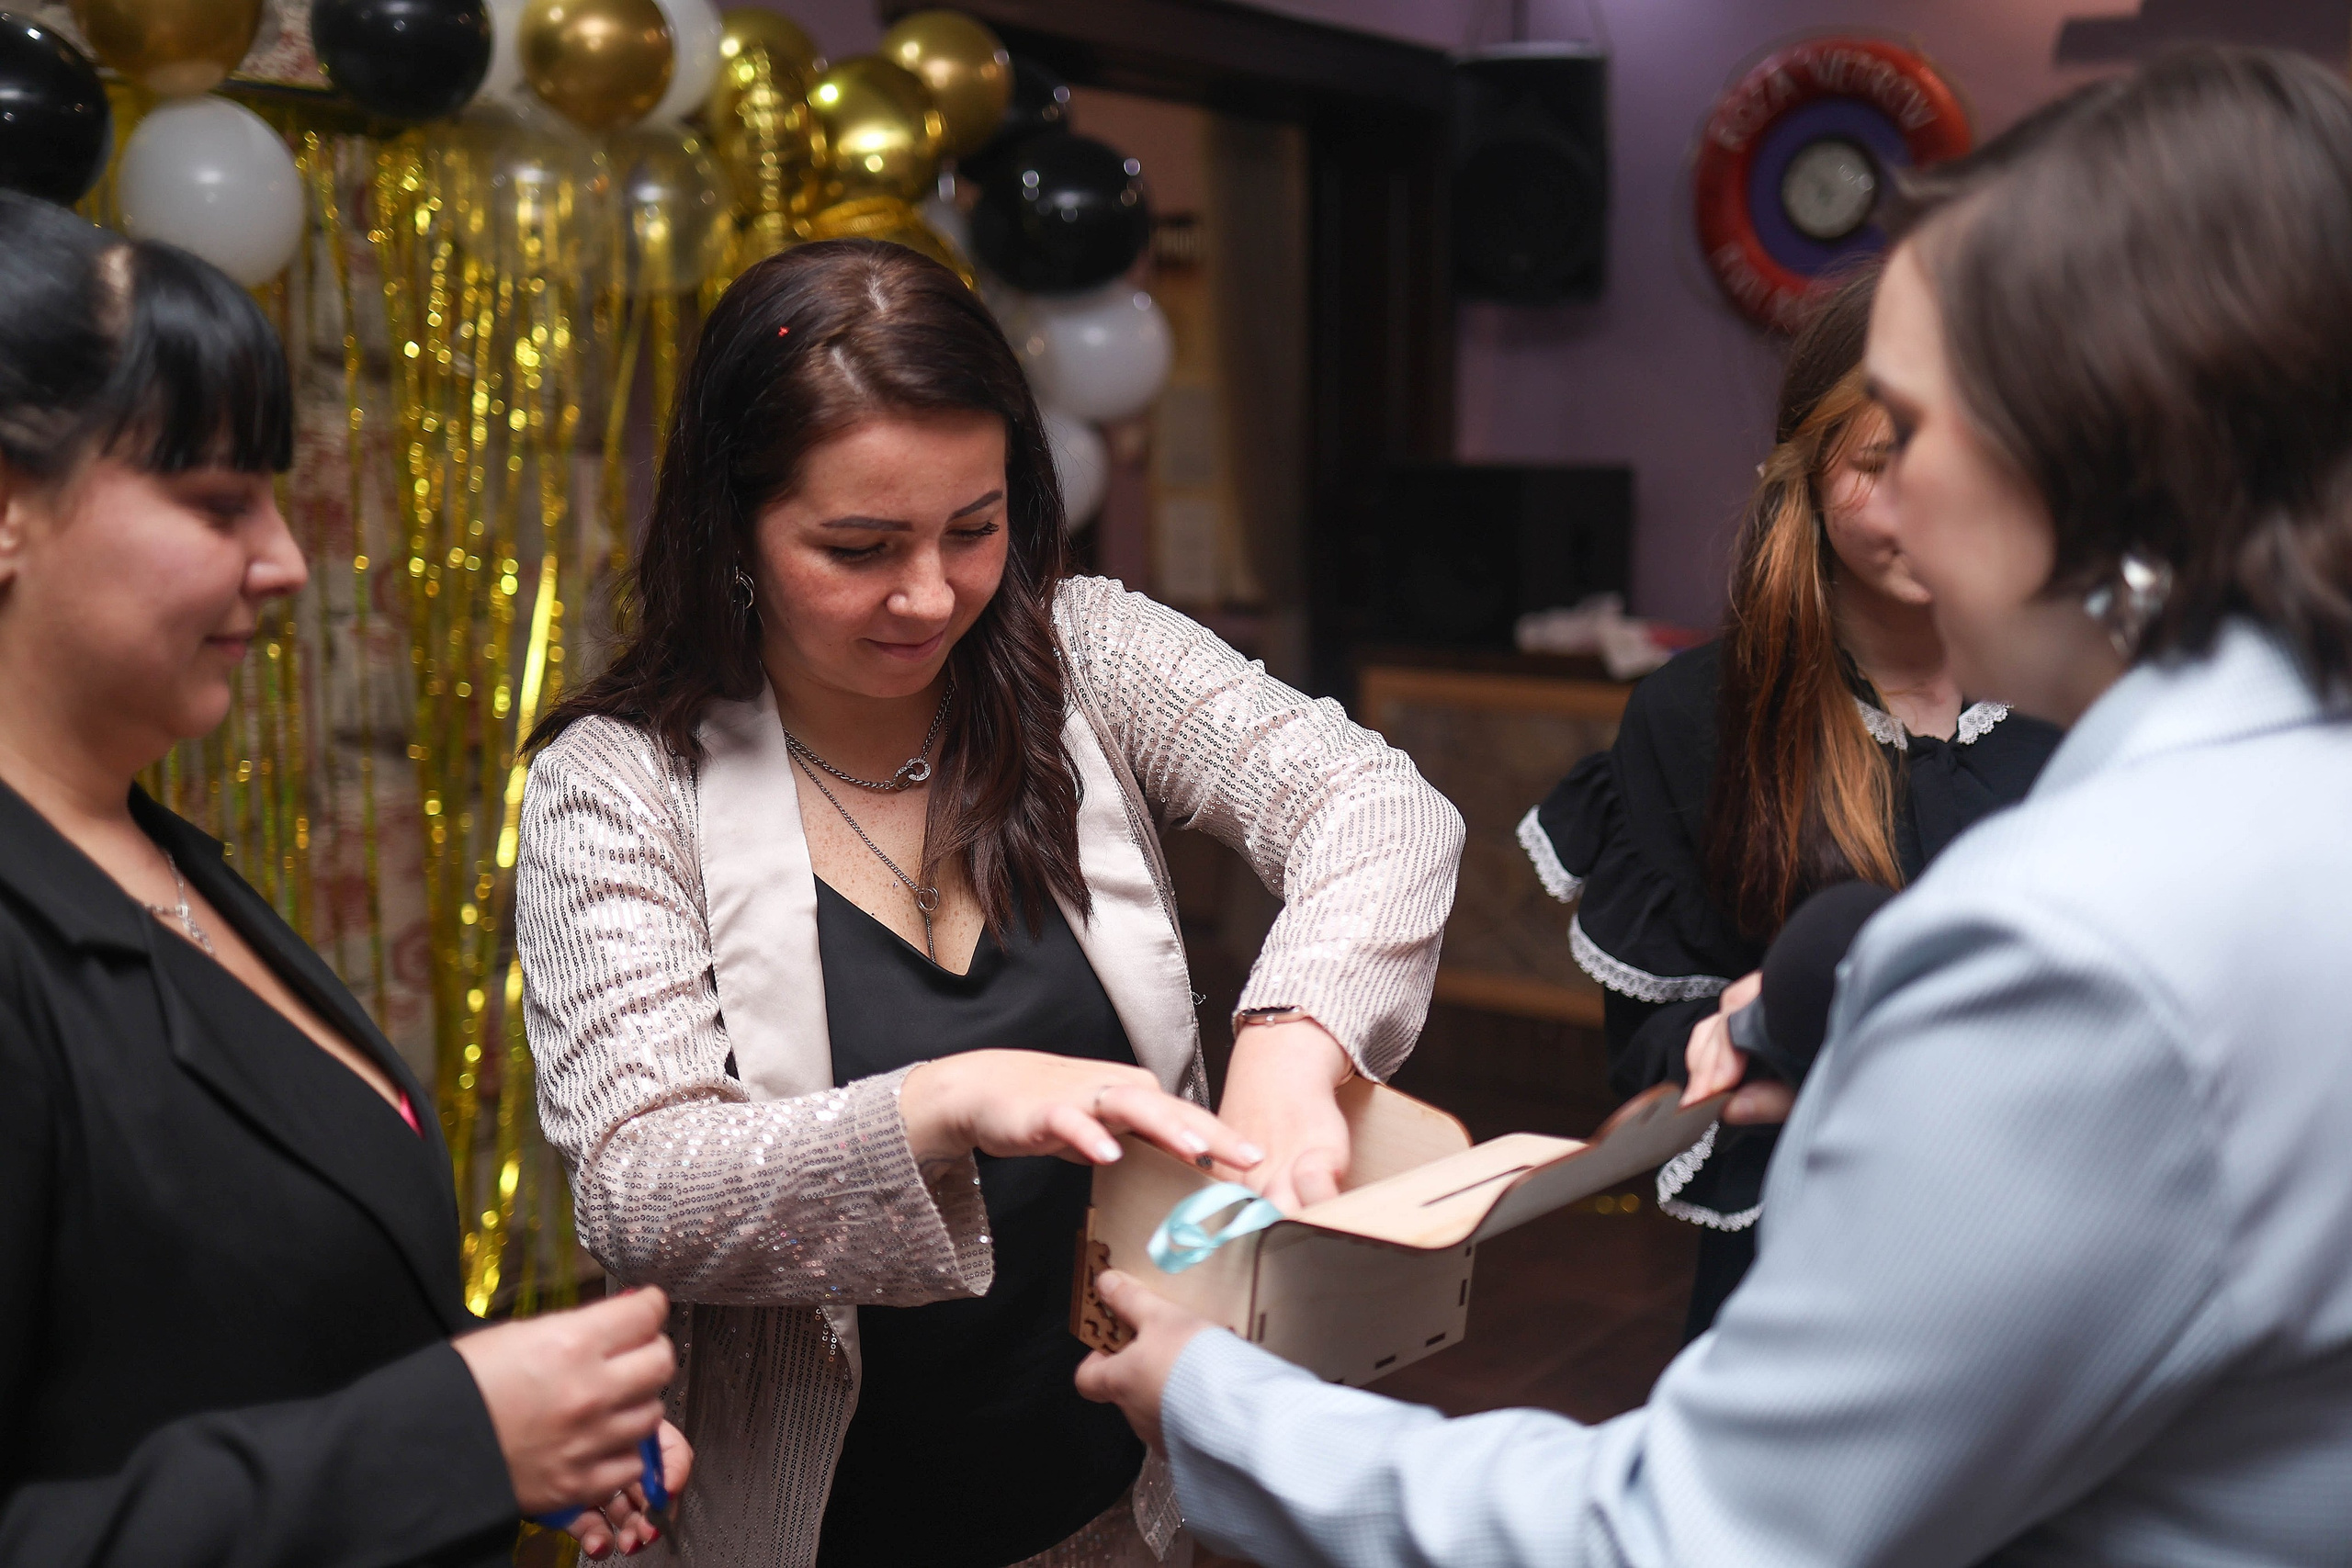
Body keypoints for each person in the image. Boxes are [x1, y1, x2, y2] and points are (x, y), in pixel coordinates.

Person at [1079, 47, 2352, 1565]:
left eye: (1924, 430)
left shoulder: (2075, 949)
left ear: (2086, 456)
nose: (1893, 502)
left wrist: (1221, 1408)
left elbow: (1691, 1537)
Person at [513, 239, 1462, 1567]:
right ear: (730, 527)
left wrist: (1293, 1047)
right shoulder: (623, 783)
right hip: (822, 1519)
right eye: (857, 546)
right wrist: (940, 1102)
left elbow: (1381, 808)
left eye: (974, 526)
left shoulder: (1087, 653)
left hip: (1125, 1499)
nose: (931, 594)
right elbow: (641, 1184)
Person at [0, 194, 689, 1565]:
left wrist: (516, 1424)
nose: (287, 561)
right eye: (214, 502)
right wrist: (450, 1433)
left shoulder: (154, 851)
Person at [1519, 263, 2059, 1336]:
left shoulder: (2087, 690)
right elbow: (1646, 1048)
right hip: (1817, 1268)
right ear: (1805, 471)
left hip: (2061, 1249)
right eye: (1875, 463)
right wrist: (1730, 1033)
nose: (1928, 503)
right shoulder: (1698, 718)